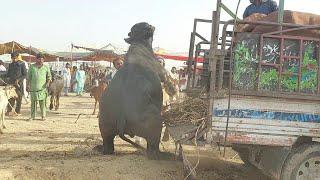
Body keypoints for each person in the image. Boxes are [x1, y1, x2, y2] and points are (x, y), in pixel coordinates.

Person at [28, 53, 51, 121]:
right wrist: (27, 85)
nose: (41, 60)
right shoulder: (32, 67)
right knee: (33, 104)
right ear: (36, 59)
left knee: (43, 103)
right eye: (39, 59)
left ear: (43, 60)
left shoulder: (46, 67)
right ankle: (32, 116)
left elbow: (49, 77)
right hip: (33, 89)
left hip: (42, 89)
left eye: (42, 59)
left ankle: (43, 116)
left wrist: (48, 82)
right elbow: (28, 77)